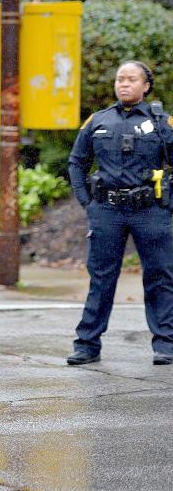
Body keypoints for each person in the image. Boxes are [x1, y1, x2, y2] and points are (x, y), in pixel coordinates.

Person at [66, 61, 173, 367]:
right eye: (120, 79)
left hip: (150, 210)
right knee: (101, 279)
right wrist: (87, 202)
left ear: (146, 86)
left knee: (160, 277)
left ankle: (165, 343)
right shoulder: (98, 121)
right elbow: (77, 163)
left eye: (131, 79)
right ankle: (87, 344)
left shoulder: (162, 122)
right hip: (107, 210)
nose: (123, 84)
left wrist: (169, 201)